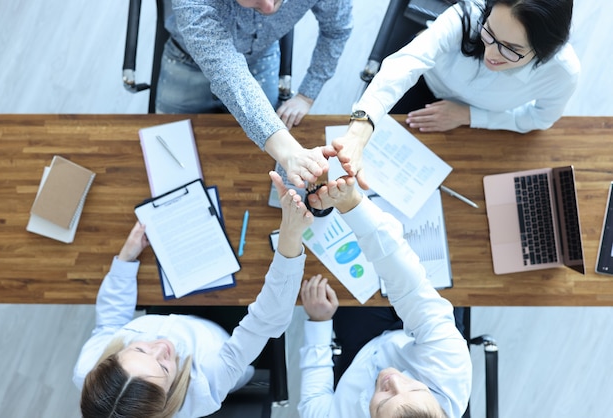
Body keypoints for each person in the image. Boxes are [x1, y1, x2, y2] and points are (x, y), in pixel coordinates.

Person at [72, 170, 314, 418]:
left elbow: (109, 325)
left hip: (170, 312)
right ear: (167, 397)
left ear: (111, 357)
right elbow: (266, 321)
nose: (161, 347)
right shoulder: (207, 383)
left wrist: (126, 258)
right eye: (163, 369)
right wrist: (291, 235)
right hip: (224, 334)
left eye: (139, 350)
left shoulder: (89, 368)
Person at [336, 0, 579, 190]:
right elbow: (407, 63)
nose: (491, 54)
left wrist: (471, 116)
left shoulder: (561, 72)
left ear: (544, 52)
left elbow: (539, 119)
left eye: (511, 49)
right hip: (424, 82)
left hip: (479, 122)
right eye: (490, 34)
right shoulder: (470, 14)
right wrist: (359, 130)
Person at [298, 176, 472, 418]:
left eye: (383, 402)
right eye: (414, 387)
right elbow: (410, 286)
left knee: (333, 273)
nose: (394, 379)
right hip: (423, 339)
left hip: (362, 346)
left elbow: (313, 406)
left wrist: (319, 324)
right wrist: (352, 205)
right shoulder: (449, 367)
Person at [157, 0, 352, 187]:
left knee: (259, 157)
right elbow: (228, 73)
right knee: (167, 145)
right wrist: (290, 152)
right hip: (185, 60)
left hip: (260, 56)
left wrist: (307, 94)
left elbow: (337, 29)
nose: (268, 7)